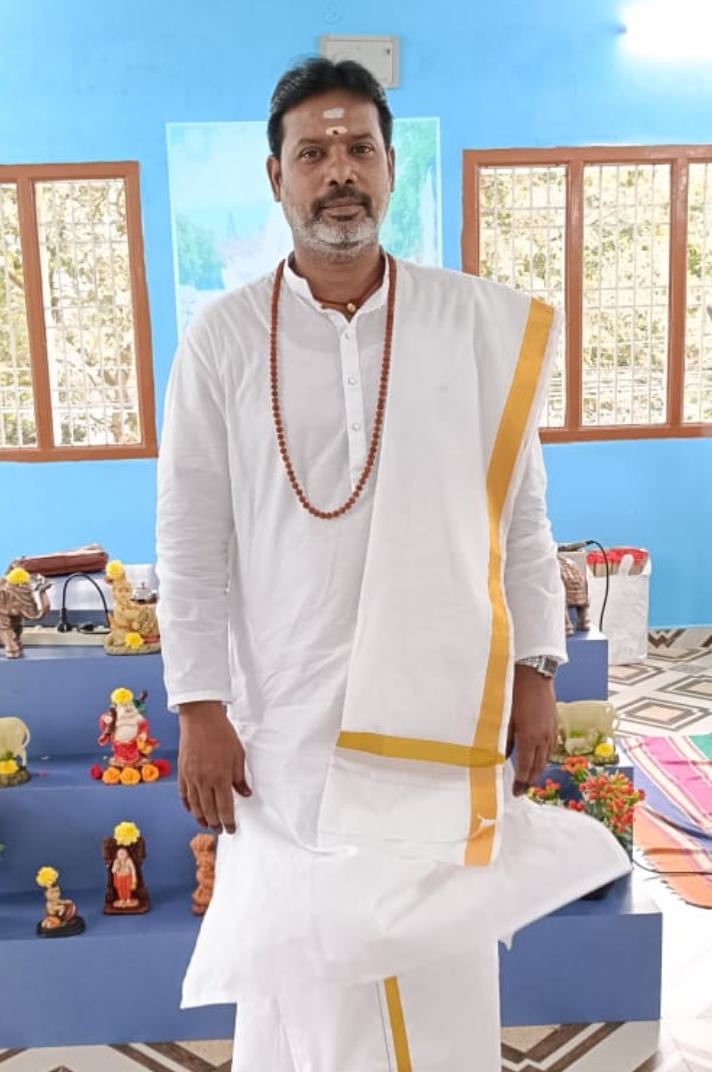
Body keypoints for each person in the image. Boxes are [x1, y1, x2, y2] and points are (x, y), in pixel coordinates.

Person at [156, 56, 629, 1072]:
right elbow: (189, 537)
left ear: (390, 167)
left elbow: (521, 515)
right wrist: (198, 704)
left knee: (439, 952)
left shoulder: (469, 325)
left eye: (359, 148)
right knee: (305, 962)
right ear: (275, 176)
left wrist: (536, 670)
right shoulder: (222, 339)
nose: (339, 170)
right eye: (313, 152)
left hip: (438, 705)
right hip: (288, 716)